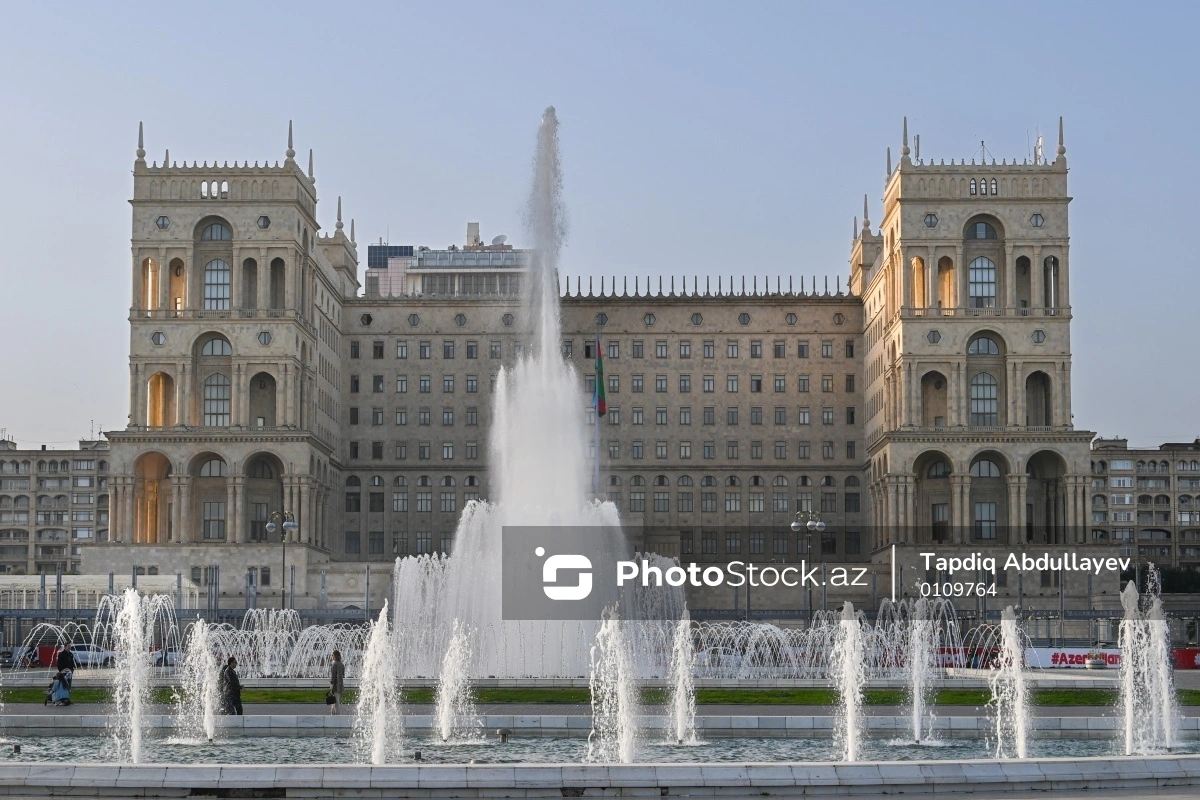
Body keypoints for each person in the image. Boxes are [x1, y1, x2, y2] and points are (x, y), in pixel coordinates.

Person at [329, 650, 345, 716]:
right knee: (336, 700)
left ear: (335, 656)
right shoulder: (342, 664)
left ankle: (336, 715)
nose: (332, 656)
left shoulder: (334, 664)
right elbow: (343, 674)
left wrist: (331, 686)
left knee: (335, 702)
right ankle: (333, 714)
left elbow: (333, 676)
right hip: (340, 685)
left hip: (335, 686)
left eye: (332, 655)